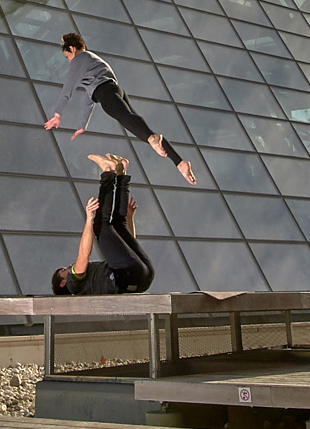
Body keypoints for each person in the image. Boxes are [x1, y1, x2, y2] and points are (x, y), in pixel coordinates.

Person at [44, 32, 197, 185]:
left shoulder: (79, 59)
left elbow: (67, 89)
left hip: (106, 94)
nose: (69, 61)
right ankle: (179, 162)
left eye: (67, 56)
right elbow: (89, 98)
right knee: (138, 126)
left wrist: (57, 114)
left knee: (129, 122)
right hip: (115, 91)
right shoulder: (92, 60)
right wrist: (83, 125)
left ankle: (155, 140)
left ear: (71, 49)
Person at [52, 154, 155, 295]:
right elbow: (83, 254)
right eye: (64, 270)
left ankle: (121, 173)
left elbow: (126, 246)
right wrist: (89, 219)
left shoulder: (97, 275)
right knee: (100, 226)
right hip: (129, 275)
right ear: (63, 283)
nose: (69, 267)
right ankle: (108, 171)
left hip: (143, 277)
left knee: (119, 224)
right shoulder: (73, 284)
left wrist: (129, 217)